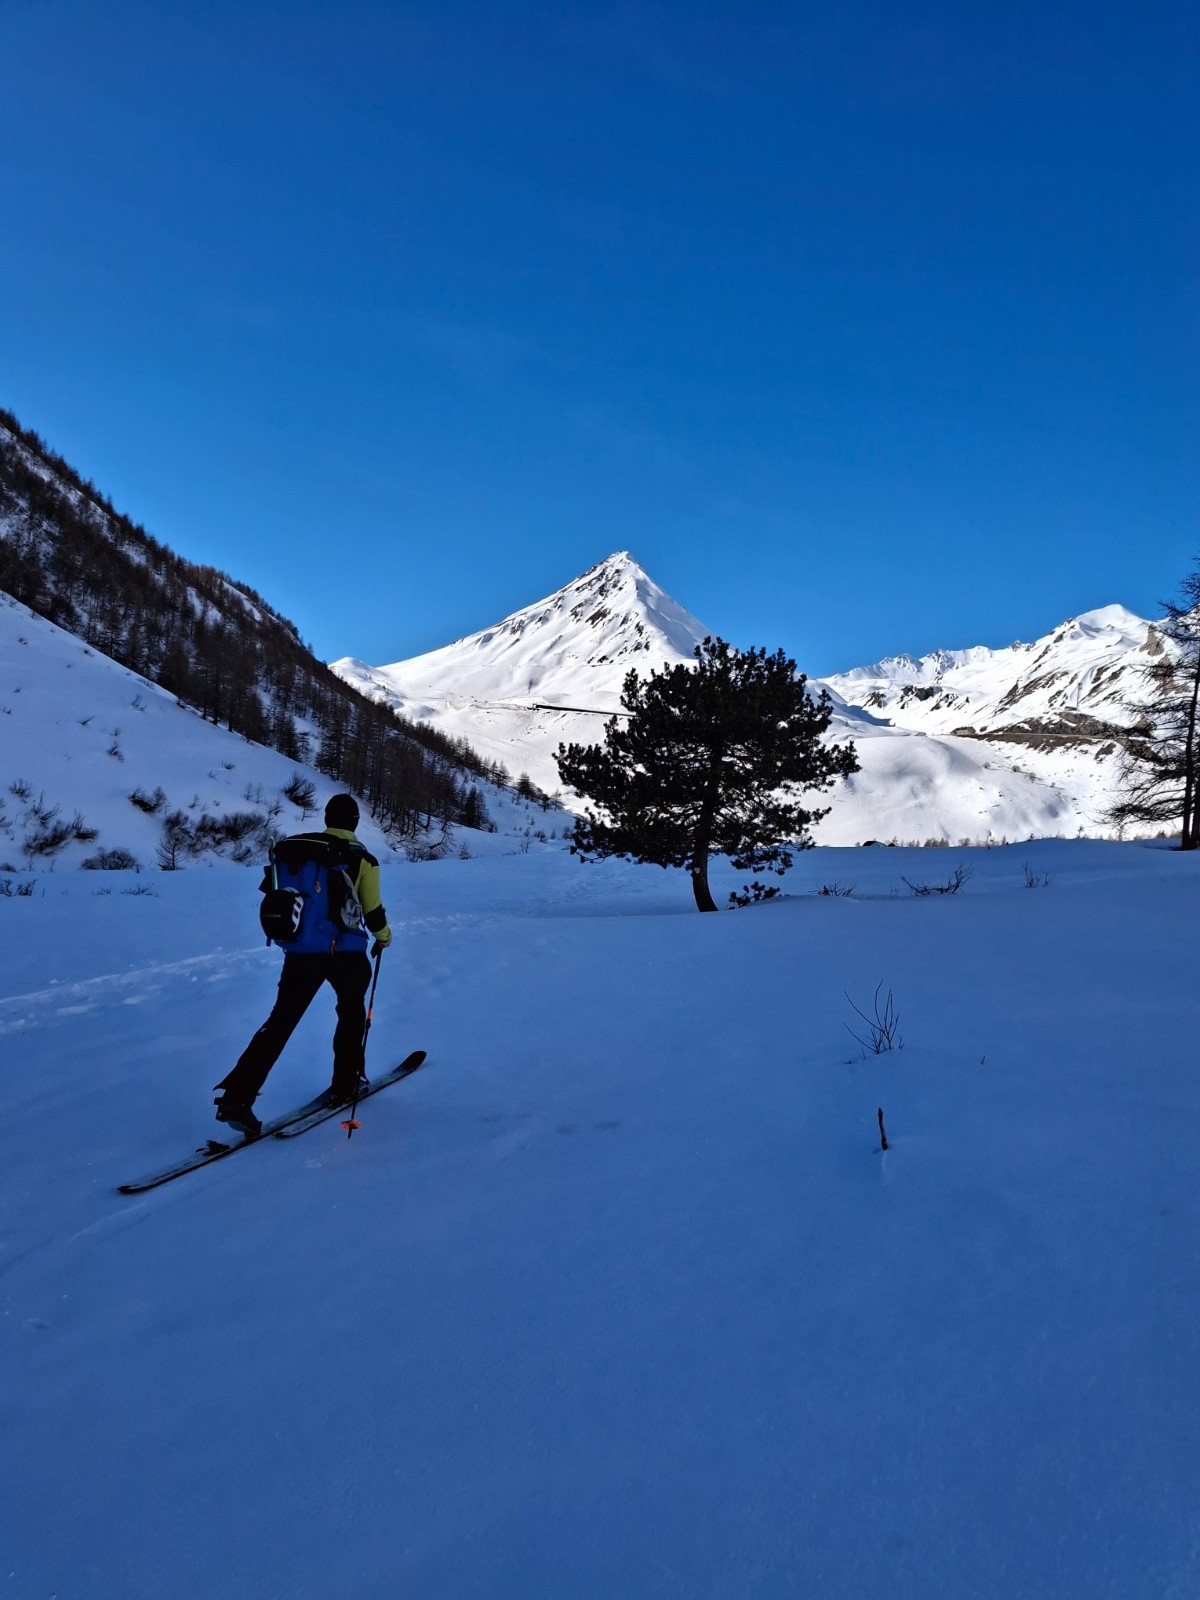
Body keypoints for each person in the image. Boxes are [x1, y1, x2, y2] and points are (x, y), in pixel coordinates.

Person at [213, 794, 392, 1135]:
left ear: (327, 819)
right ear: (354, 822)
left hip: (300, 951)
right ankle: (346, 1082)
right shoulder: (361, 859)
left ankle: (237, 1097)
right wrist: (384, 936)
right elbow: (373, 912)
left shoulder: (295, 850)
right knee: (351, 1015)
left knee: (280, 1021)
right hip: (347, 952)